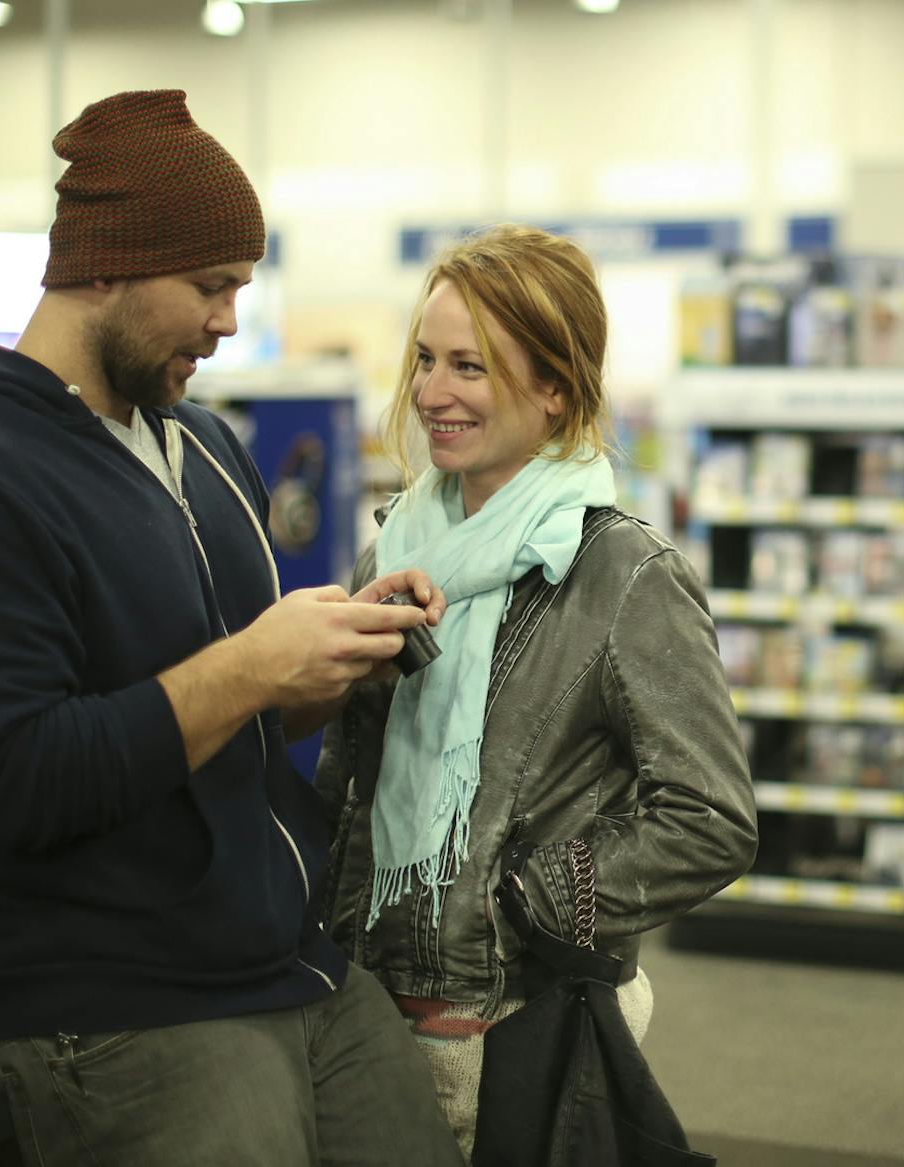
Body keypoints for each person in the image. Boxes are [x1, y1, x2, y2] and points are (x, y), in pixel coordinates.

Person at [0, 90, 464, 1167]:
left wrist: (325, 665)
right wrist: (246, 666)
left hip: (292, 960)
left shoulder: (199, 443)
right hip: (123, 998)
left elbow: (226, 722)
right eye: (210, 286)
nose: (229, 320)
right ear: (106, 266)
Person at [314, 224, 758, 1154]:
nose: (432, 393)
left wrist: (539, 894)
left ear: (555, 387)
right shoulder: (389, 554)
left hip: (521, 1034)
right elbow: (347, 782)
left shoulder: (624, 574)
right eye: (426, 360)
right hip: (366, 1028)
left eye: (470, 368)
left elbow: (712, 814)